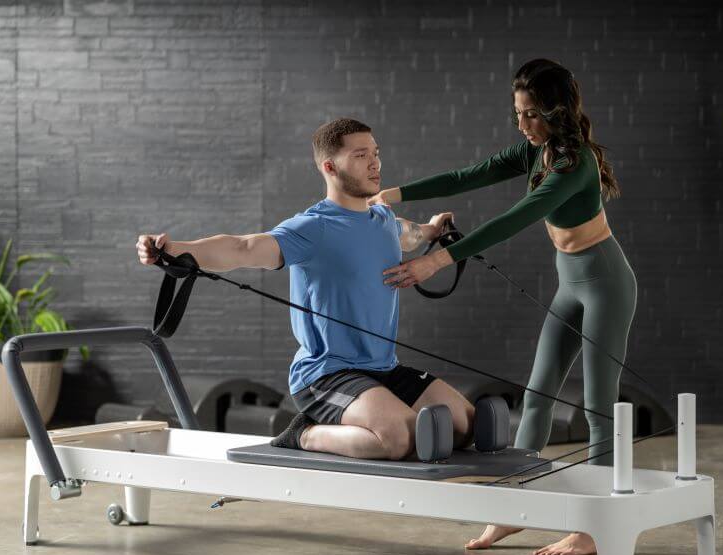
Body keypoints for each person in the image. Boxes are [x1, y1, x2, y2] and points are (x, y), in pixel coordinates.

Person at [373, 59, 637, 555]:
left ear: (557, 113)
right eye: (517, 113)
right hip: (571, 284)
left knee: (599, 407)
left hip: (606, 285)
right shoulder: (534, 151)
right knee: (536, 398)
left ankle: (593, 528)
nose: (522, 124)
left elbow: (516, 218)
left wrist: (437, 261)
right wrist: (395, 193)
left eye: (531, 114)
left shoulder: (572, 165)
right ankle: (517, 509)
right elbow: (467, 175)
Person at [137, 118, 474, 461]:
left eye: (376, 153)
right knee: (400, 437)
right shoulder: (314, 227)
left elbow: (410, 234)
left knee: (464, 424)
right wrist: (174, 249)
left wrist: (432, 230)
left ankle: (369, 414)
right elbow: (244, 247)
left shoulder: (383, 220)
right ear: (330, 166)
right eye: (361, 155)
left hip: (383, 368)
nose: (375, 163)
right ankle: (304, 433)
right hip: (327, 374)